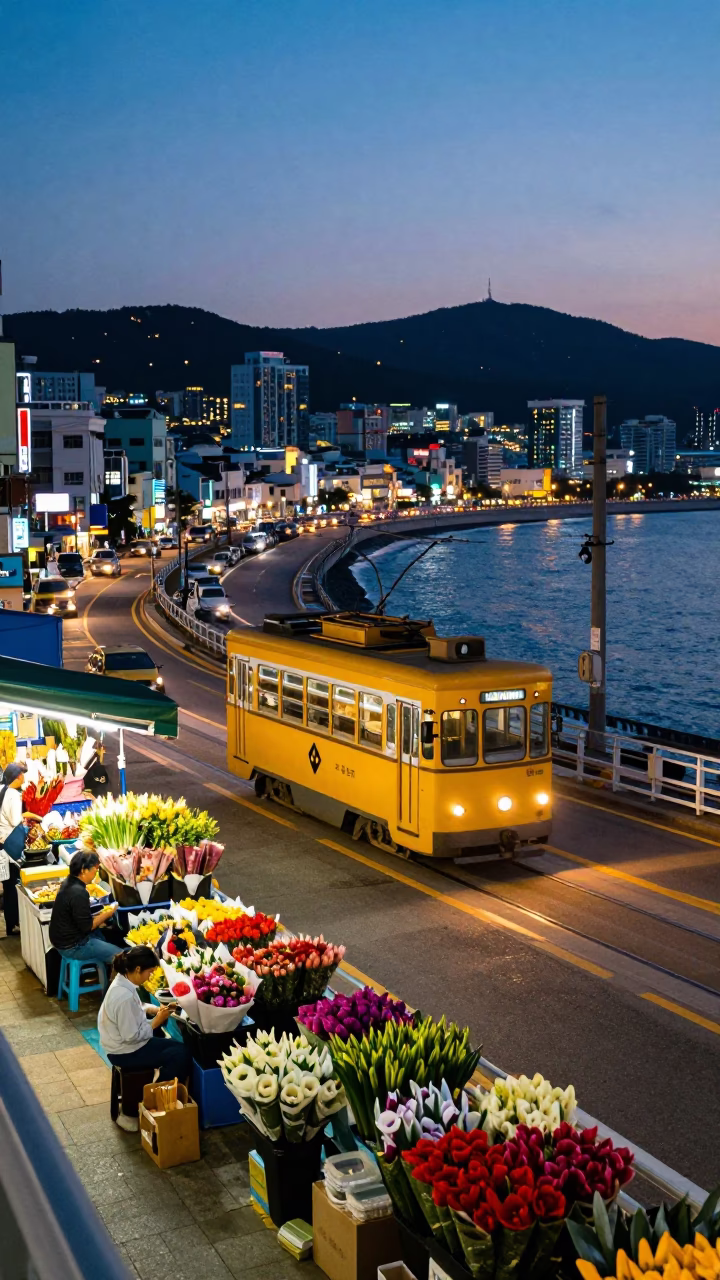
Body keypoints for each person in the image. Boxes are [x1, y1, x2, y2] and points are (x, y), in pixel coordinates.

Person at [98, 945, 190, 1131]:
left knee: (173, 1046)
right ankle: (154, 1100)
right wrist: (157, 1020)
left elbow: (137, 1008)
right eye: (149, 972)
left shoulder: (123, 981)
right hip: (124, 1051)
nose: (150, 976)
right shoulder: (122, 996)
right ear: (138, 969)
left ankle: (155, 1092)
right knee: (180, 1054)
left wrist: (155, 1009)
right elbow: (131, 1037)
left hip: (123, 1042)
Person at [49, 850, 122, 966]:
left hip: (61, 941)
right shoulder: (78, 892)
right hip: (73, 946)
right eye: (95, 869)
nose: (96, 873)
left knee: (107, 936)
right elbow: (88, 927)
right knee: (123, 958)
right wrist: (110, 911)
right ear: (83, 870)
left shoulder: (69, 882)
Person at [0, 762, 28, 936]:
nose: (24, 777)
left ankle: (11, 923)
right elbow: (15, 820)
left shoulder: (2, 789)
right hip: (10, 845)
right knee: (13, 885)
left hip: (2, 844)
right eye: (22, 774)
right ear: (18, 776)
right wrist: (29, 815)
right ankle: (14, 923)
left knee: (8, 883)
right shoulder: (12, 795)